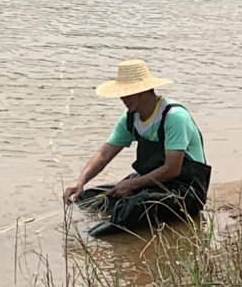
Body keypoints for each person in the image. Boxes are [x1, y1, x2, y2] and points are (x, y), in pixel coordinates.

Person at [62, 59, 211, 237]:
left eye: (128, 93)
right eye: (121, 94)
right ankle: (104, 224)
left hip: (185, 191)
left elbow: (172, 169)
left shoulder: (174, 117)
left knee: (133, 206)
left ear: (145, 90)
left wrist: (132, 184)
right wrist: (80, 182)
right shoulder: (130, 119)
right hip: (152, 184)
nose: (122, 99)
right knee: (89, 197)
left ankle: (93, 237)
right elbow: (105, 153)